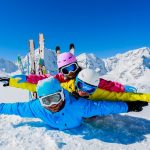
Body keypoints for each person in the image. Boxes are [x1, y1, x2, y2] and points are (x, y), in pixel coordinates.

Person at [0, 77, 148, 130]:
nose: (52, 105)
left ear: (62, 95)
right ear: (40, 101)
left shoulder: (79, 105)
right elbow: (16, 108)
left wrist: (129, 106)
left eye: (55, 98)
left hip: (81, 118)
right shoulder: (36, 108)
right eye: (46, 100)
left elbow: (104, 107)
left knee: (94, 112)